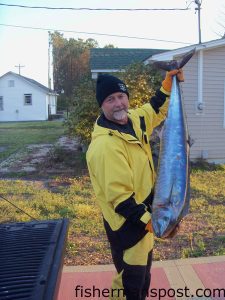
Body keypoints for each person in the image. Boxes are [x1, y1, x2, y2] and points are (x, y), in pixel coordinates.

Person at [86, 69, 184, 300]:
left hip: (145, 218)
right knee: (130, 285)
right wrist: (153, 223)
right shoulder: (104, 147)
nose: (118, 103)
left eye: (121, 96)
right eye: (110, 99)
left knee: (143, 280)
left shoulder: (134, 120)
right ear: (102, 105)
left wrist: (168, 86)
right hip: (128, 226)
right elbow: (120, 200)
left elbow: (154, 109)